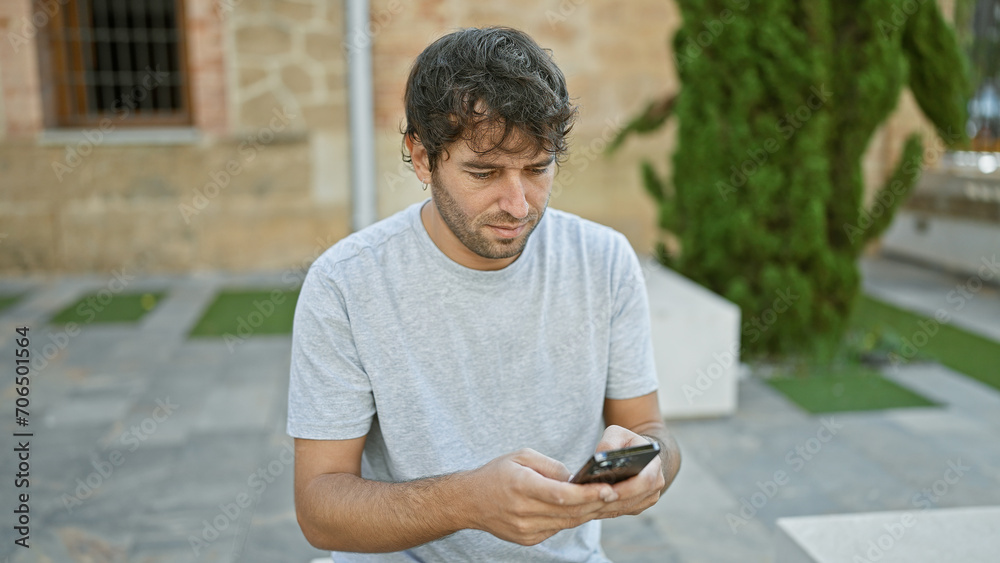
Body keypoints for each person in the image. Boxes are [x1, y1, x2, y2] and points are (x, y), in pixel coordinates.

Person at [287, 26, 681, 562]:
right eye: (485, 172)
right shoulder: (346, 283)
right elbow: (318, 507)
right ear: (422, 157)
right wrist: (469, 502)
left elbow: (648, 427)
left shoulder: (604, 261)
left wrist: (650, 460)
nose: (518, 204)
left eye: (537, 169)